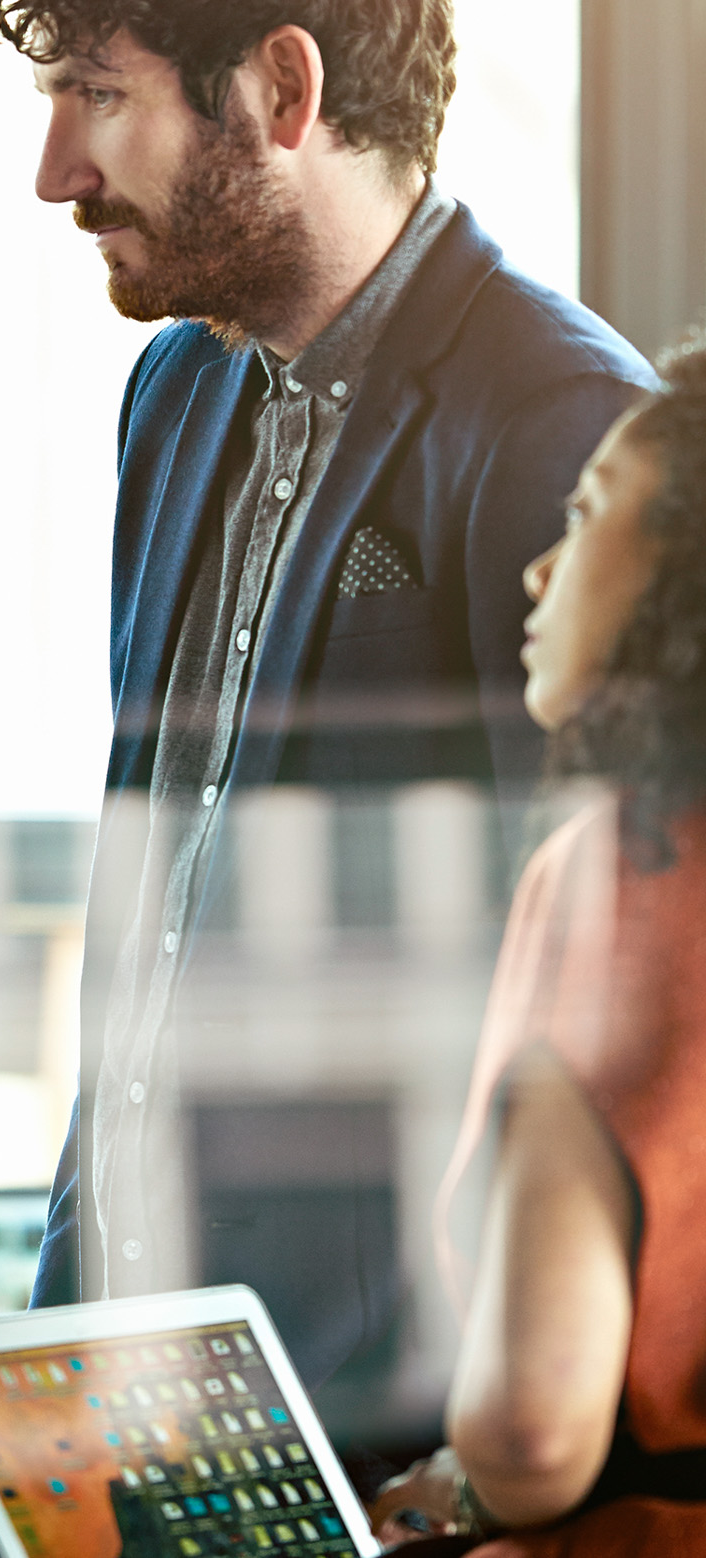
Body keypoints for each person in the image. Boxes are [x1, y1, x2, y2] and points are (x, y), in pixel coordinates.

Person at [0, 0, 654, 1396]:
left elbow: (613, 1018)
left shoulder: (567, 432)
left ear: (282, 87)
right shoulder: (175, 395)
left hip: (395, 1422)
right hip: (135, 1389)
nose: (54, 168)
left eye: (94, 94)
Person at [368, 343, 706, 1552]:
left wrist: (448, 1487)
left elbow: (530, 1429)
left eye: (586, 513)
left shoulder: (624, 866)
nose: (538, 569)